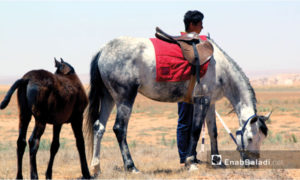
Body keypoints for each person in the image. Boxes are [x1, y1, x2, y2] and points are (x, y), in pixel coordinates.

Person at [177, 10, 204, 164]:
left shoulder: (197, 43)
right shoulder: (184, 43)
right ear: (192, 25)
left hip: (195, 89)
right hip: (184, 88)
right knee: (184, 122)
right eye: (200, 24)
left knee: (193, 123)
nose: (202, 26)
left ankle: (191, 155)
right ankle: (183, 157)